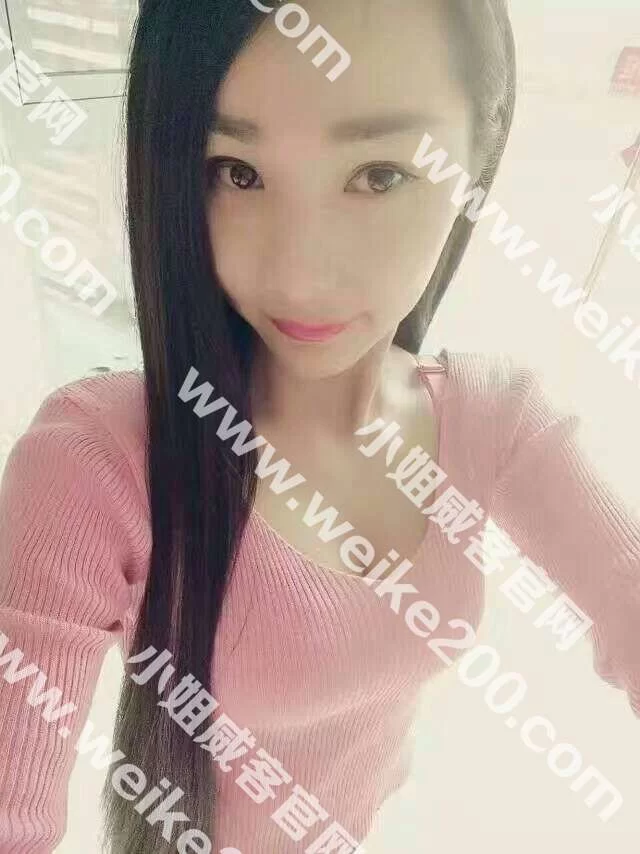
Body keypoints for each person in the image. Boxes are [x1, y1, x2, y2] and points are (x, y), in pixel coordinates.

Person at [0, 1, 638, 852]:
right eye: (237, 172)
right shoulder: (95, 462)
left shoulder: (495, 420)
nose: (299, 273)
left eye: (379, 174)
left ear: (477, 163)